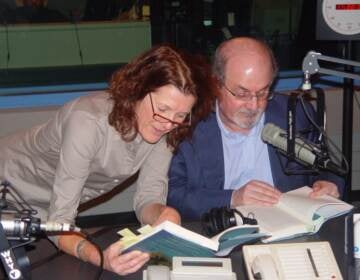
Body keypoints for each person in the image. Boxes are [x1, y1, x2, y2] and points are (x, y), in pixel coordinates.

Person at [0, 45, 216, 275]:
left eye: (181, 115)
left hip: (39, 206)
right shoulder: (87, 122)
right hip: (7, 183)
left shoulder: (166, 128)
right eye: (163, 108)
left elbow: (148, 196)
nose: (169, 123)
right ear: (137, 91)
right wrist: (99, 257)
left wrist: (164, 214)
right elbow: (60, 221)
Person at [167, 37, 345, 220]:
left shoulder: (296, 113)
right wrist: (232, 198)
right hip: (221, 230)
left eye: (262, 92)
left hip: (288, 228)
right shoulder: (189, 125)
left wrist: (328, 183)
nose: (253, 105)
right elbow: (173, 195)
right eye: (242, 93)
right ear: (216, 84)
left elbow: (326, 166)